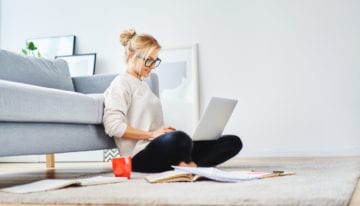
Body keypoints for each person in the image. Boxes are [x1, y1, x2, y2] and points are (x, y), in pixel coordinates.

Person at [103, 29, 243, 173]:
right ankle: (188, 162)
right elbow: (113, 126)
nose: (152, 66)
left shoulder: (144, 85)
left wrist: (161, 134)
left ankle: (190, 166)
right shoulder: (120, 83)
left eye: (155, 60)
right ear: (131, 56)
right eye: (148, 60)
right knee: (180, 139)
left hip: (160, 148)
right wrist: (151, 134)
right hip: (138, 156)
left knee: (232, 142)